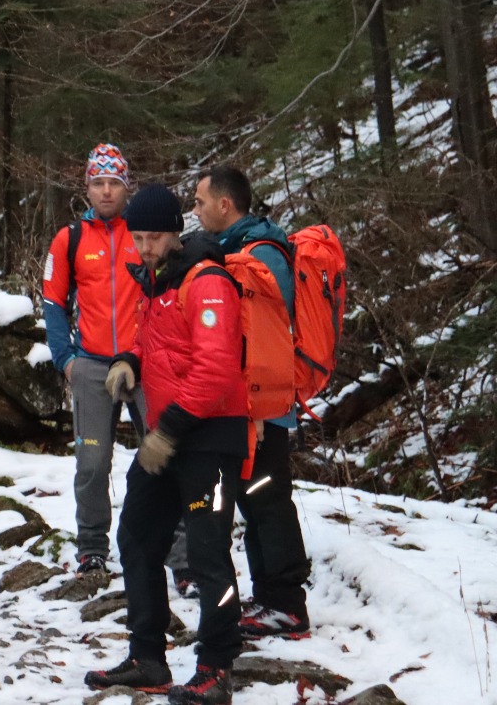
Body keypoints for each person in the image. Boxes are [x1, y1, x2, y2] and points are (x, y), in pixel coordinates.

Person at [86, 184, 246, 705]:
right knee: (136, 538)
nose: (146, 246)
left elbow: (217, 369)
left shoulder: (208, 281)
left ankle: (216, 667)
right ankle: (147, 656)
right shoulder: (157, 281)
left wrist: (169, 431)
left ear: (176, 233)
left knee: (207, 554)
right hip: (167, 436)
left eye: (155, 236)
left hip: (208, 438)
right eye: (139, 237)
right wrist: (128, 360)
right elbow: (151, 338)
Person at [192, 164, 313, 639]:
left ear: (225, 205)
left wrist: (257, 412)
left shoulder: (260, 256)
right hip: (252, 405)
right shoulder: (244, 249)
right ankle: (270, 598)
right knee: (256, 498)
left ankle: (288, 605)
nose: (195, 210)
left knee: (268, 500)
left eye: (200, 202)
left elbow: (259, 342)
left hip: (262, 407)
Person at [40, 143, 146, 577]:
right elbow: (52, 301)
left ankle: (180, 558)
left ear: (126, 188)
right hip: (91, 364)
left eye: (114, 184)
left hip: (145, 364)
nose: (106, 192)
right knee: (92, 463)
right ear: (87, 187)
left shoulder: (144, 233)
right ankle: (92, 549)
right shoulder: (71, 239)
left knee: (164, 456)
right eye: (98, 183)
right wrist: (66, 359)